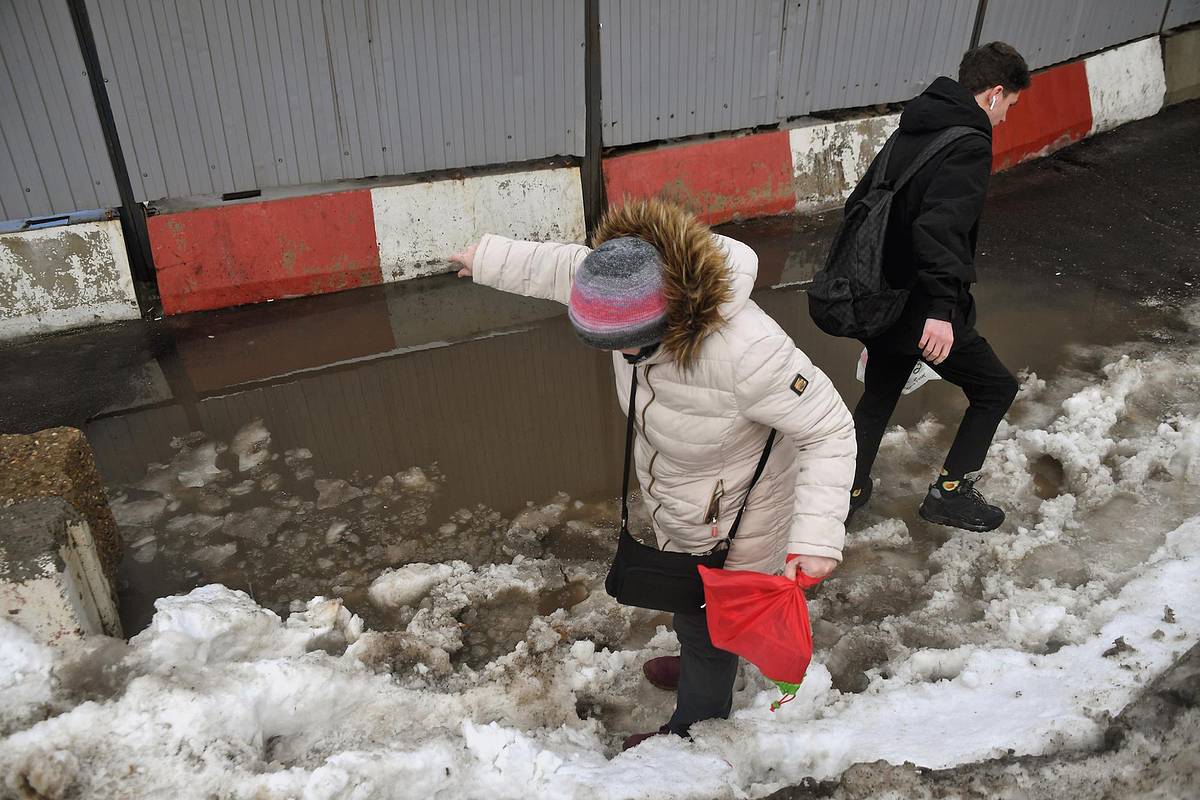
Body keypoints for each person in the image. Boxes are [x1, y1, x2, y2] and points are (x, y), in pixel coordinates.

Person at [449, 199, 855, 749]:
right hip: (687, 496)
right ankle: (700, 665)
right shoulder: (625, 277)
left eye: (627, 343)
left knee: (710, 618)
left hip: (740, 512)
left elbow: (829, 427)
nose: (619, 354)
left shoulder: (748, 351)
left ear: (666, 317)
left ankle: (696, 728)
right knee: (692, 601)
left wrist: (817, 537)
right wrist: (488, 258)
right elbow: (565, 268)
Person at [845, 42, 1031, 532]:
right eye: (1009, 105)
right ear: (993, 94)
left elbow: (862, 203)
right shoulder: (968, 142)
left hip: (885, 296)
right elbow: (941, 228)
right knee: (995, 388)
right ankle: (950, 493)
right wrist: (942, 309)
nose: (1006, 118)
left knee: (880, 394)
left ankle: (848, 492)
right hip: (922, 303)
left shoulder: (914, 128)